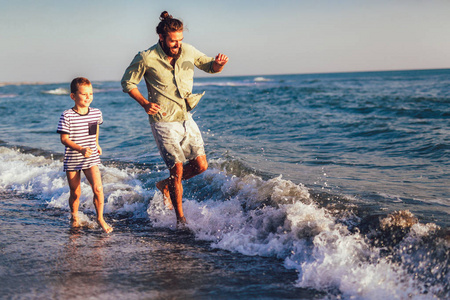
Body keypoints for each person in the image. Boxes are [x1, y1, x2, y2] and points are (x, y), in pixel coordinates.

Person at [121, 11, 229, 227]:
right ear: (161, 37)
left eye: (180, 40)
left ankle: (164, 185)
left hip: (186, 117)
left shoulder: (188, 50)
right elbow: (127, 83)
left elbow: (209, 67)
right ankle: (180, 220)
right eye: (172, 41)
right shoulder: (146, 57)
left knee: (201, 165)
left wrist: (219, 64)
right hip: (163, 120)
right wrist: (144, 103)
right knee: (177, 170)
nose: (177, 45)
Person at [57, 77, 113, 233]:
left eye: (91, 93)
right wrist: (80, 149)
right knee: (76, 192)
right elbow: (64, 139)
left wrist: (96, 143)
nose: (88, 97)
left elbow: (94, 128)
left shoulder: (96, 113)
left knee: (98, 188)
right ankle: (74, 215)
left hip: (91, 156)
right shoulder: (67, 115)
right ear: (73, 96)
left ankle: (100, 218)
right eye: (84, 94)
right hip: (73, 159)